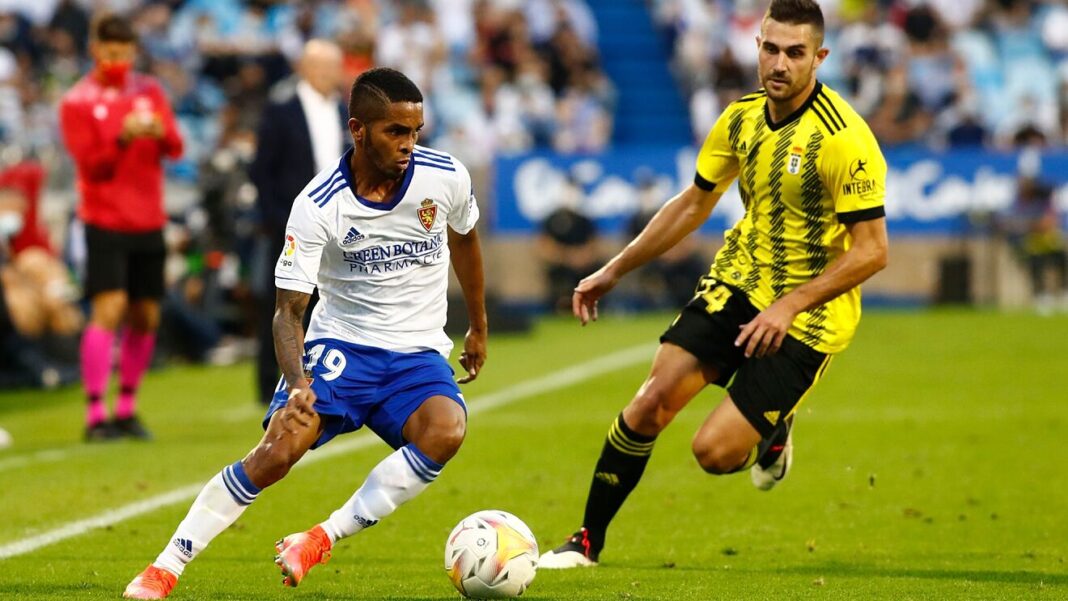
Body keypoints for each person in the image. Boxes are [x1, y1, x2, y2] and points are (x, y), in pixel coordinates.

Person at [539, 0, 888, 569]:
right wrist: (614, 270)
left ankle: (772, 432)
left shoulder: (843, 138)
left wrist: (788, 307)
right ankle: (586, 542)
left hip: (810, 315)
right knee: (649, 405)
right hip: (740, 279)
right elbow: (693, 204)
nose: (780, 63)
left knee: (714, 453)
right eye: (771, 48)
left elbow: (873, 250)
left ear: (819, 57)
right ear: (757, 46)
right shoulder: (741, 117)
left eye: (795, 53)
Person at [122, 67, 487, 599]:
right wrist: (297, 384)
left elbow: (466, 241)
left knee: (446, 431)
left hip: (416, 351)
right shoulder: (319, 204)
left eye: (415, 131)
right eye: (395, 131)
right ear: (357, 129)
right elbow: (288, 312)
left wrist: (478, 326)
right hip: (342, 345)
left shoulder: (446, 176)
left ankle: (320, 538)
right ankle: (165, 566)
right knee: (277, 452)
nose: (409, 144)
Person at [59, 13, 183, 441]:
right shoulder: (77, 101)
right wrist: (123, 138)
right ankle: (96, 413)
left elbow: (176, 147)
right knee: (108, 308)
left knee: (146, 315)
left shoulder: (149, 90)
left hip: (148, 218)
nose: (119, 62)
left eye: (125, 54)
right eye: (111, 53)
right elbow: (90, 166)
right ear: (95, 49)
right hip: (105, 218)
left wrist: (160, 132)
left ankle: (127, 407)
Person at [250, 39, 348, 405]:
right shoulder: (281, 111)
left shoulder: (345, 111)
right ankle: (270, 383)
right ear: (304, 69)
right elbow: (262, 170)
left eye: (332, 67)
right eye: (321, 67)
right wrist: (276, 218)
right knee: (284, 304)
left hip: (339, 227)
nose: (327, 74)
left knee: (333, 302)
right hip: (291, 225)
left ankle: (327, 379)